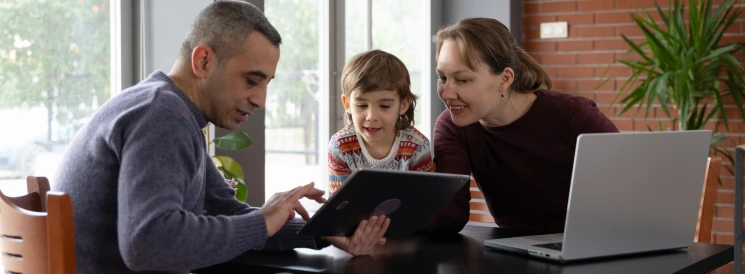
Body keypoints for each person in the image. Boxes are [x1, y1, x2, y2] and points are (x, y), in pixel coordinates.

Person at [53, 1, 388, 273]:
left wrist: (321, 231)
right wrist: (261, 221)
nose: (260, 100)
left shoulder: (168, 109)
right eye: (251, 80)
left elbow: (222, 212)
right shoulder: (162, 115)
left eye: (266, 84)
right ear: (203, 61)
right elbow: (147, 244)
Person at [421, 18, 619, 234]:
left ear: (505, 79)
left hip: (594, 242)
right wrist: (387, 213)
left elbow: (629, 178)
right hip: (516, 252)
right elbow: (451, 211)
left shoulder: (572, 115)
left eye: (463, 80)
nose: (447, 94)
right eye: (442, 77)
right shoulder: (452, 126)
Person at [328, 50, 435, 195]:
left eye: (384, 106)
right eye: (362, 105)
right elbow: (339, 206)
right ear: (347, 104)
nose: (372, 117)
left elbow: (425, 202)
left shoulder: (418, 147)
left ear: (403, 105)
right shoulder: (340, 146)